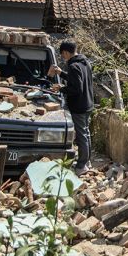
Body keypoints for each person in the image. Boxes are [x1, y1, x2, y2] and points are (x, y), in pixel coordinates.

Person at [48, 40, 94, 175]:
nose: (63, 57)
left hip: (79, 106)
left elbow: (76, 88)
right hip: (88, 104)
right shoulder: (84, 62)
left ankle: (81, 166)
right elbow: (77, 80)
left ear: (66, 52)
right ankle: (87, 161)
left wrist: (61, 88)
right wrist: (61, 73)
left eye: (63, 55)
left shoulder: (74, 66)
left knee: (81, 136)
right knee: (85, 134)